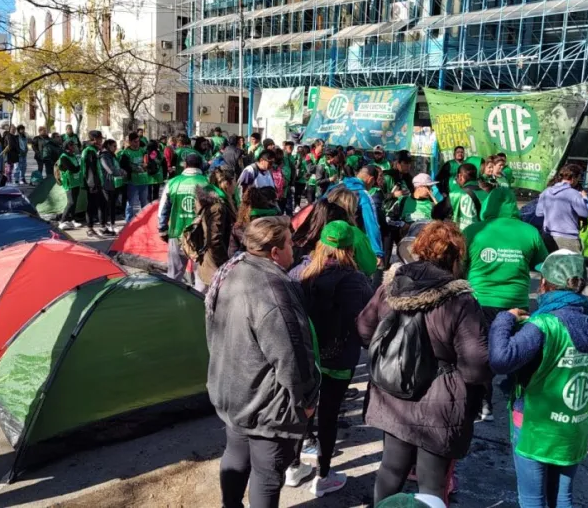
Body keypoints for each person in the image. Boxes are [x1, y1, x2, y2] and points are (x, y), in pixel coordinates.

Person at [358, 221, 491, 504]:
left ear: (417, 249)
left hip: (393, 394)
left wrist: (394, 354)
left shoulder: (391, 287)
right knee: (432, 484)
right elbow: (476, 365)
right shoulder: (461, 301)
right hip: (440, 402)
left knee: (391, 469)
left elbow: (364, 329)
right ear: (456, 257)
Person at [205, 216, 319, 508]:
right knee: (267, 474)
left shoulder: (231, 270)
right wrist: (307, 397)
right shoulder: (273, 290)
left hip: (232, 389)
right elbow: (292, 353)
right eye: (290, 244)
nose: (295, 249)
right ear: (274, 252)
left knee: (236, 452)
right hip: (263, 403)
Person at [489, 250, 588, 508]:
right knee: (562, 496)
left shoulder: (544, 324)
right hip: (573, 427)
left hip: (535, 425)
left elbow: (501, 359)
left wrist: (505, 319)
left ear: (544, 283)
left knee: (532, 499)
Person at [288, 221, 375, 497]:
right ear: (350, 248)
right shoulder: (355, 280)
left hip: (305, 358)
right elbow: (367, 322)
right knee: (328, 416)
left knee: (301, 410)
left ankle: (293, 466)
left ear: (320, 243)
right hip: (339, 360)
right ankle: (322, 476)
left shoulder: (299, 272)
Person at [463, 186, 547, 420]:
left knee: (482, 353)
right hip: (517, 304)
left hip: (480, 302)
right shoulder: (530, 232)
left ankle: (484, 403)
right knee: (520, 353)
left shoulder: (473, 231)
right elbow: (543, 266)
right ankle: (519, 403)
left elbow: (460, 267)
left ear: (488, 204)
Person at [159, 153, 209, 281]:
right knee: (201, 277)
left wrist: (162, 229)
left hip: (177, 232)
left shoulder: (173, 182)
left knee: (174, 275)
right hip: (201, 235)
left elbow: (163, 210)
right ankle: (199, 300)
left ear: (185, 165)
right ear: (200, 166)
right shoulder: (207, 182)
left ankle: (173, 298)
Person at [194, 166, 237, 293]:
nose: (235, 185)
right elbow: (214, 239)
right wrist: (225, 263)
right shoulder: (218, 207)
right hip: (214, 263)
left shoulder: (217, 200)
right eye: (234, 181)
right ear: (227, 183)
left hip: (209, 260)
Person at [536, 164, 588, 252]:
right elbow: (586, 213)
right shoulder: (574, 194)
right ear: (573, 179)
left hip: (547, 235)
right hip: (568, 239)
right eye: (579, 178)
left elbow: (539, 213)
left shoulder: (546, 192)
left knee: (550, 265)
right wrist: (585, 198)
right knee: (571, 265)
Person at [381, 151, 414, 266]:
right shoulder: (387, 176)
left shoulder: (408, 178)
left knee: (407, 254)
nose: (408, 166)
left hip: (402, 220)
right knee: (385, 256)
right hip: (387, 220)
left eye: (410, 163)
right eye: (405, 163)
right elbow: (376, 195)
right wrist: (393, 195)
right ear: (397, 163)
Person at [432, 163, 485, 230]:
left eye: (457, 177)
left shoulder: (455, 195)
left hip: (460, 237)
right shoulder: (488, 195)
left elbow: (436, 214)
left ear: (460, 176)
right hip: (480, 236)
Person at [230, 187, 281, 255]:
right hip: (270, 260)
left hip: (246, 262)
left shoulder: (239, 226)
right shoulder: (275, 220)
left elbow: (232, 252)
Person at [119, 133, 150, 223]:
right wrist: (134, 168)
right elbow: (124, 166)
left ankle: (145, 220)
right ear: (130, 142)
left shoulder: (142, 150)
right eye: (135, 142)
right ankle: (129, 222)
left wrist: (146, 164)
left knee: (144, 203)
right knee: (131, 204)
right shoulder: (126, 152)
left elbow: (147, 161)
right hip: (133, 182)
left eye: (138, 141)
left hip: (144, 180)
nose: (137, 143)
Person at [99, 139, 124, 234]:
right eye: (114, 146)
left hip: (114, 183)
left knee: (113, 205)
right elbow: (110, 169)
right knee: (106, 205)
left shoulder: (112, 155)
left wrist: (121, 171)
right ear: (108, 146)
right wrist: (121, 172)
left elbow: (116, 166)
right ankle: (103, 226)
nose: (115, 148)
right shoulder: (104, 156)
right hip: (106, 183)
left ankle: (112, 224)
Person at [56, 140, 82, 230]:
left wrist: (78, 167)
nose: (74, 147)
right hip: (69, 182)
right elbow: (73, 169)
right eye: (72, 145)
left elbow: (76, 167)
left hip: (76, 181)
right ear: (67, 146)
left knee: (75, 201)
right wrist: (79, 167)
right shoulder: (63, 157)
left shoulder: (74, 156)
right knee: (71, 202)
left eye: (74, 145)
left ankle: (72, 220)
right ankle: (62, 221)